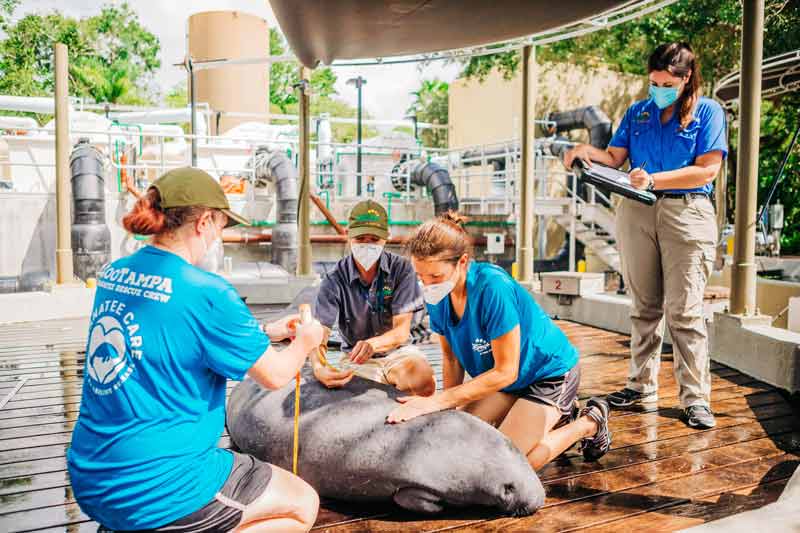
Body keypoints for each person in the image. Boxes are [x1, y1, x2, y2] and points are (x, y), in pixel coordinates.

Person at [67, 167, 324, 533]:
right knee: (302, 504)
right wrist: (306, 340)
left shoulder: (114, 273)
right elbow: (276, 375)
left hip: (91, 477)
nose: (220, 236)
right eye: (221, 226)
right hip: (162, 487)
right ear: (204, 222)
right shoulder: (208, 291)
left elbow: (167, 334)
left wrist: (265, 331)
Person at [563, 42, 727, 429]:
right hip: (636, 209)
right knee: (643, 306)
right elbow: (616, 158)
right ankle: (639, 385)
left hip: (685, 212)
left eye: (667, 83)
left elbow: (707, 170)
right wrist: (585, 151)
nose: (658, 89)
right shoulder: (638, 112)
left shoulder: (708, 112)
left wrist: (655, 178)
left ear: (687, 79)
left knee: (684, 312)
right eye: (653, 82)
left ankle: (695, 398)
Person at [386, 213, 611, 470]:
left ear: (462, 262)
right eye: (420, 276)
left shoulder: (493, 287)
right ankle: (549, 417)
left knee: (506, 467)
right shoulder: (437, 294)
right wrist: (448, 411)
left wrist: (437, 400)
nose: (426, 285)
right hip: (506, 382)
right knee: (455, 439)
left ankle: (589, 422)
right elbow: (451, 358)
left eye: (435, 276)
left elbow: (506, 370)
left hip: (547, 375)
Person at [311, 200, 436, 396]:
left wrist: (373, 344)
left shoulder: (402, 269)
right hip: (356, 358)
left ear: (386, 237)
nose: (367, 245)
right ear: (348, 235)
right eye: (361, 239)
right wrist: (319, 367)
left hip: (398, 353)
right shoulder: (334, 277)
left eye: (374, 239)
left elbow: (401, 332)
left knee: (422, 380)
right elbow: (321, 331)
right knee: (352, 397)